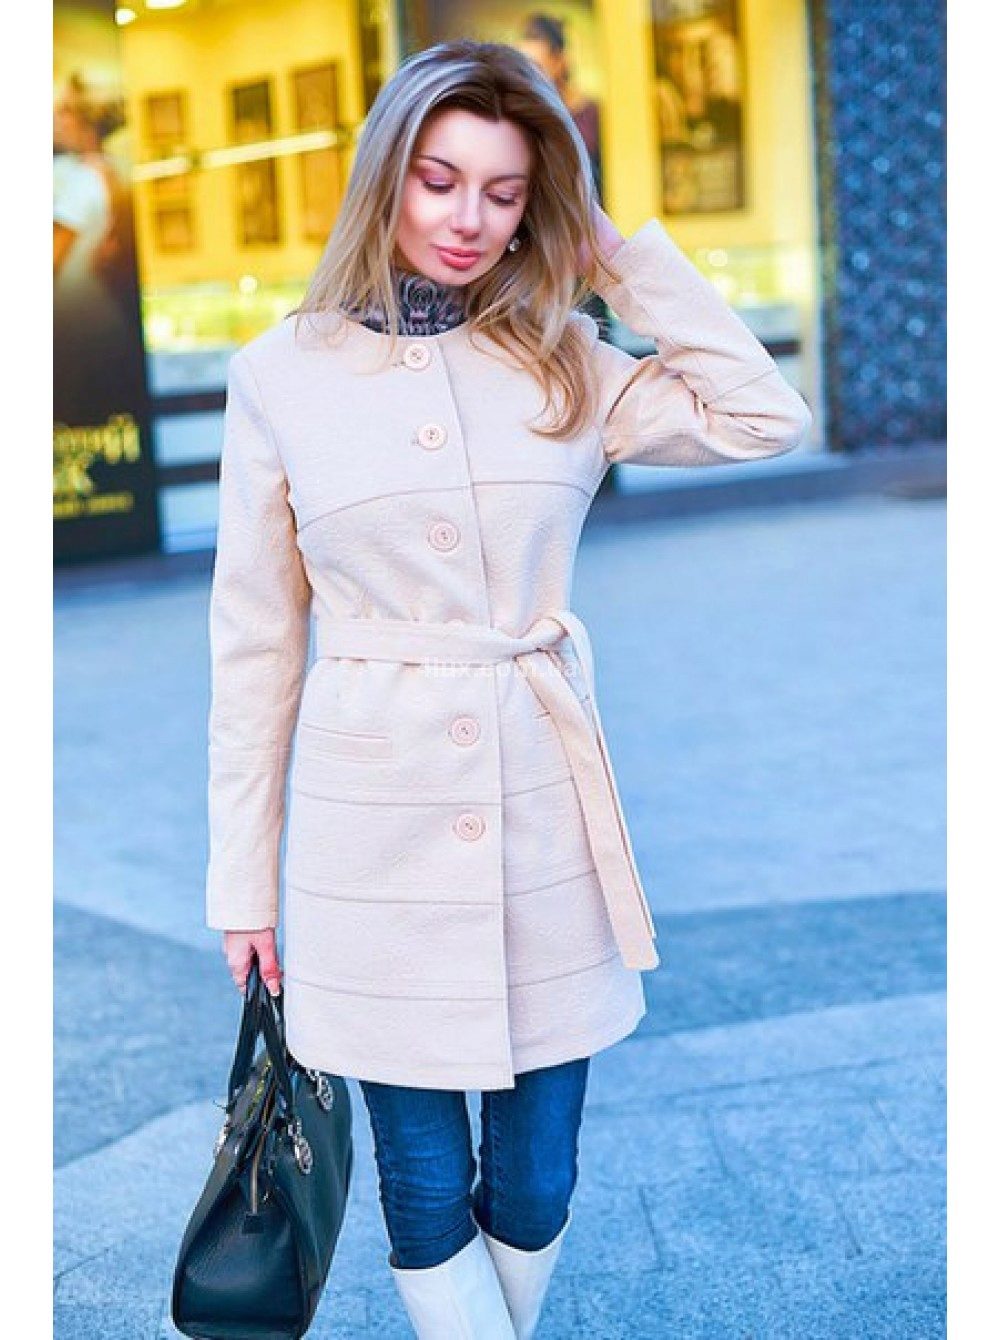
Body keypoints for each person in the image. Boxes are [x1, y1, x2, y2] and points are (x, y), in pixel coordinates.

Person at [206, 39, 811, 1339]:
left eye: (504, 191)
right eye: (438, 180)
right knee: (425, 1188)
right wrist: (241, 885)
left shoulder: (567, 361)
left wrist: (614, 254)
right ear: (386, 180)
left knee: (536, 1179)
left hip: (543, 814)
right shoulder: (280, 376)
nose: (468, 218)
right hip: (369, 835)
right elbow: (254, 648)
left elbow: (765, 416)